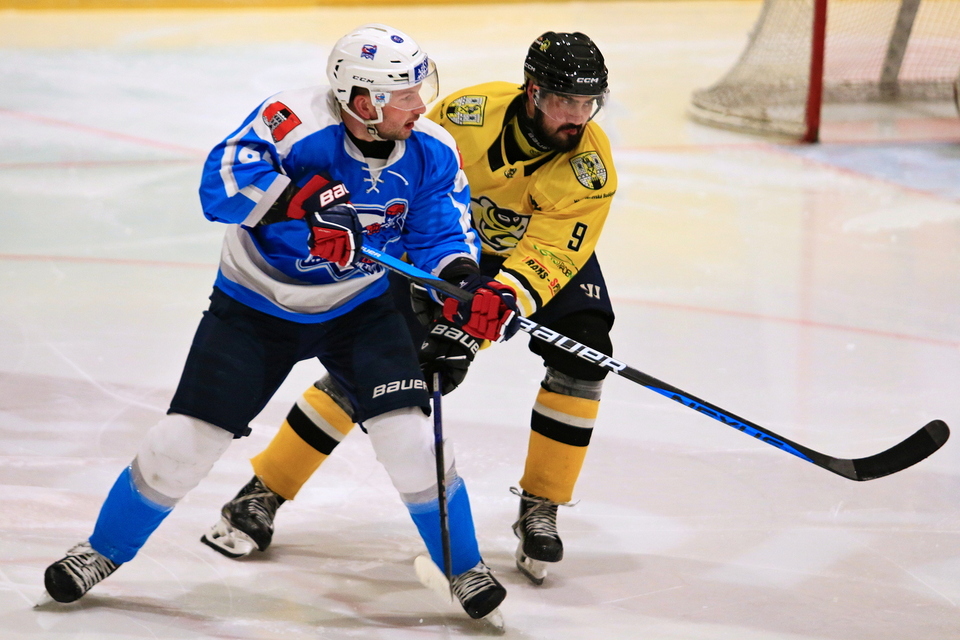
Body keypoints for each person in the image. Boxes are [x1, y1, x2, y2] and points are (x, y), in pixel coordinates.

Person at [41, 23, 519, 621]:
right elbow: (221, 183)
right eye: (404, 96)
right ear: (363, 101)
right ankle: (101, 551)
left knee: (411, 441)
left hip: (361, 308)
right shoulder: (293, 121)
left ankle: (464, 567)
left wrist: (466, 283)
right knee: (183, 444)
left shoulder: (432, 148)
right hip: (255, 307)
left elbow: (439, 234)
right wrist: (302, 201)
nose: (420, 106)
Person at [202, 31, 617, 586]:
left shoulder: (592, 169)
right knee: (381, 359)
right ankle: (263, 491)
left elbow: (551, 253)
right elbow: (411, 192)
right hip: (437, 246)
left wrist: (480, 319)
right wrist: (433, 294)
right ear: (533, 92)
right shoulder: (467, 116)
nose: (578, 117)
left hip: (517, 260)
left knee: (586, 346)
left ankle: (542, 504)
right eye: (565, 101)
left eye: (589, 103)